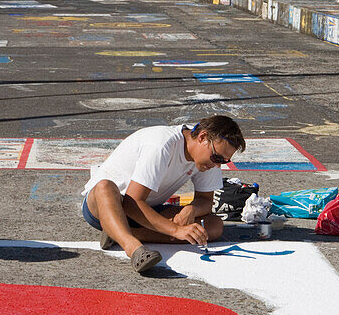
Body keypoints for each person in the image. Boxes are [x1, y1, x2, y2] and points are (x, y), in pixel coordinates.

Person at [81, 115, 245, 274]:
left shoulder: (207, 159)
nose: (217, 165)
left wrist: (191, 210)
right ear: (202, 137)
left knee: (214, 226)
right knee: (105, 186)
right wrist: (175, 230)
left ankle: (119, 234)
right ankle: (133, 248)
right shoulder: (162, 144)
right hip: (107, 206)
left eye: (224, 161)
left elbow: (205, 201)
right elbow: (131, 203)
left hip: (146, 209)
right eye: (217, 157)